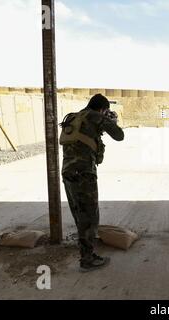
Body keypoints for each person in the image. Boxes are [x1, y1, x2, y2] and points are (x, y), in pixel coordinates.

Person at [59, 94, 124, 272]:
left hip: (68, 172)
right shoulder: (96, 117)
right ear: (102, 109)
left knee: (79, 214)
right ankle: (87, 259)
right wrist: (110, 120)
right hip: (84, 174)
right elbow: (119, 135)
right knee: (89, 217)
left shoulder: (74, 117)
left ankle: (85, 251)